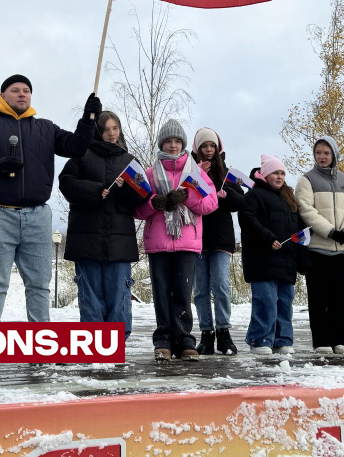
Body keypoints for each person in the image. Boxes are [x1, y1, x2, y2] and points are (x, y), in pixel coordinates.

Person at [0, 74, 99, 322]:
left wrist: (89, 119)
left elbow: (76, 147)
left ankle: (39, 347)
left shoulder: (46, 128)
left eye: (26, 90)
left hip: (37, 216)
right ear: (3, 95)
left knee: (39, 283)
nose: (22, 94)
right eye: (15, 90)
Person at [135, 119, 218, 361]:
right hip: (157, 242)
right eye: (168, 141)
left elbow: (211, 203)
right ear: (162, 143)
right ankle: (163, 339)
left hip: (187, 241)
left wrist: (187, 198)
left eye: (177, 141)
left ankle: (184, 339)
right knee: (161, 292)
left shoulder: (196, 173)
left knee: (182, 292)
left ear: (182, 144)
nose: (173, 145)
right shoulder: (149, 174)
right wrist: (154, 203)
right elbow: (137, 210)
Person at [59, 111, 145, 339]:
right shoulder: (80, 155)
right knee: (90, 293)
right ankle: (93, 340)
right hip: (86, 240)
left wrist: (126, 189)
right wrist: (96, 190)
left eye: (115, 128)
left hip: (119, 241)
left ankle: (116, 341)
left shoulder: (130, 161)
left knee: (119, 294)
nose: (111, 133)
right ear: (98, 131)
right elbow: (66, 184)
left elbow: (142, 196)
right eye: (106, 129)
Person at [294, 136, 344, 354]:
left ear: (333, 155)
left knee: (340, 297)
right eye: (318, 153)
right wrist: (330, 231)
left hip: (340, 250)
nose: (321, 157)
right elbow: (306, 210)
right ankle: (321, 341)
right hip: (317, 248)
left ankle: (341, 340)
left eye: (326, 153)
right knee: (318, 297)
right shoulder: (307, 180)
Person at [239, 155, 307, 355]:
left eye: (282, 173)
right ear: (265, 174)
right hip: (262, 258)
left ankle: (282, 339)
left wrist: (301, 253)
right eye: (275, 173)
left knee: (285, 302)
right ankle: (260, 339)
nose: (279, 177)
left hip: (286, 259)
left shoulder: (289, 198)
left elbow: (298, 226)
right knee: (266, 301)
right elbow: (248, 220)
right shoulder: (253, 195)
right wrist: (268, 238)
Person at [190, 128, 244, 355]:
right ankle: (206, 333)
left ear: (218, 148)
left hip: (221, 238)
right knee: (200, 289)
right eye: (204, 146)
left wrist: (227, 195)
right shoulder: (190, 170)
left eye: (212, 146)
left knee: (221, 286)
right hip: (197, 237)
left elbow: (239, 202)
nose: (209, 150)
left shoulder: (227, 173)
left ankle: (223, 331)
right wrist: (196, 177)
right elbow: (184, 196)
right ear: (198, 149)